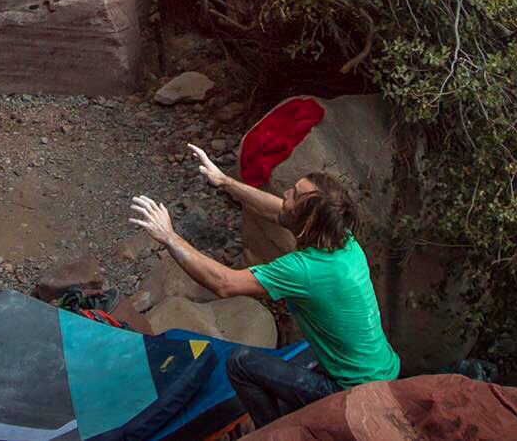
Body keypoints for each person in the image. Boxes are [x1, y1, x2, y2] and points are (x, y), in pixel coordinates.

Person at [129, 146, 399, 427]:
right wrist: (224, 181)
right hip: (385, 371)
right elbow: (278, 211)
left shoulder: (304, 270)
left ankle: (271, 431)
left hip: (351, 393)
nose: (285, 195)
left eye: (293, 195)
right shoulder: (340, 238)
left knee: (240, 362)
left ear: (306, 222)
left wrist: (169, 237)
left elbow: (224, 283)